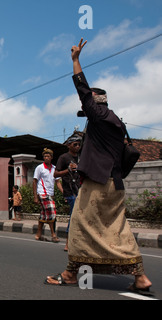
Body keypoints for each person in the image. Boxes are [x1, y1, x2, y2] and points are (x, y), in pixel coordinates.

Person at [44, 39, 152, 293]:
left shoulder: (100, 115)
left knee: (80, 225)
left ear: (96, 101)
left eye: (88, 106)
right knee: (118, 228)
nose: (85, 111)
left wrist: (75, 60)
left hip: (99, 183)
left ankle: (71, 274)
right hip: (115, 183)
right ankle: (140, 277)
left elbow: (82, 89)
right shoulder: (115, 120)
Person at [55, 133, 82, 251]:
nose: (77, 147)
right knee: (73, 216)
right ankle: (67, 243)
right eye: (75, 144)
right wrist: (68, 170)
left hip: (82, 190)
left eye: (79, 145)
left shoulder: (81, 157)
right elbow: (55, 174)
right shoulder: (63, 158)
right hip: (70, 191)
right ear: (69, 145)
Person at [33, 148, 63, 243]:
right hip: (42, 193)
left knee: (44, 214)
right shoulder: (40, 168)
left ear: (51, 158)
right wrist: (35, 196)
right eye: (45, 156)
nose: (46, 158)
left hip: (50, 194)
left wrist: (63, 192)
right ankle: (53, 235)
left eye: (48, 156)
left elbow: (57, 182)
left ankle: (38, 234)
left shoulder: (54, 168)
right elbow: (35, 181)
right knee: (51, 213)